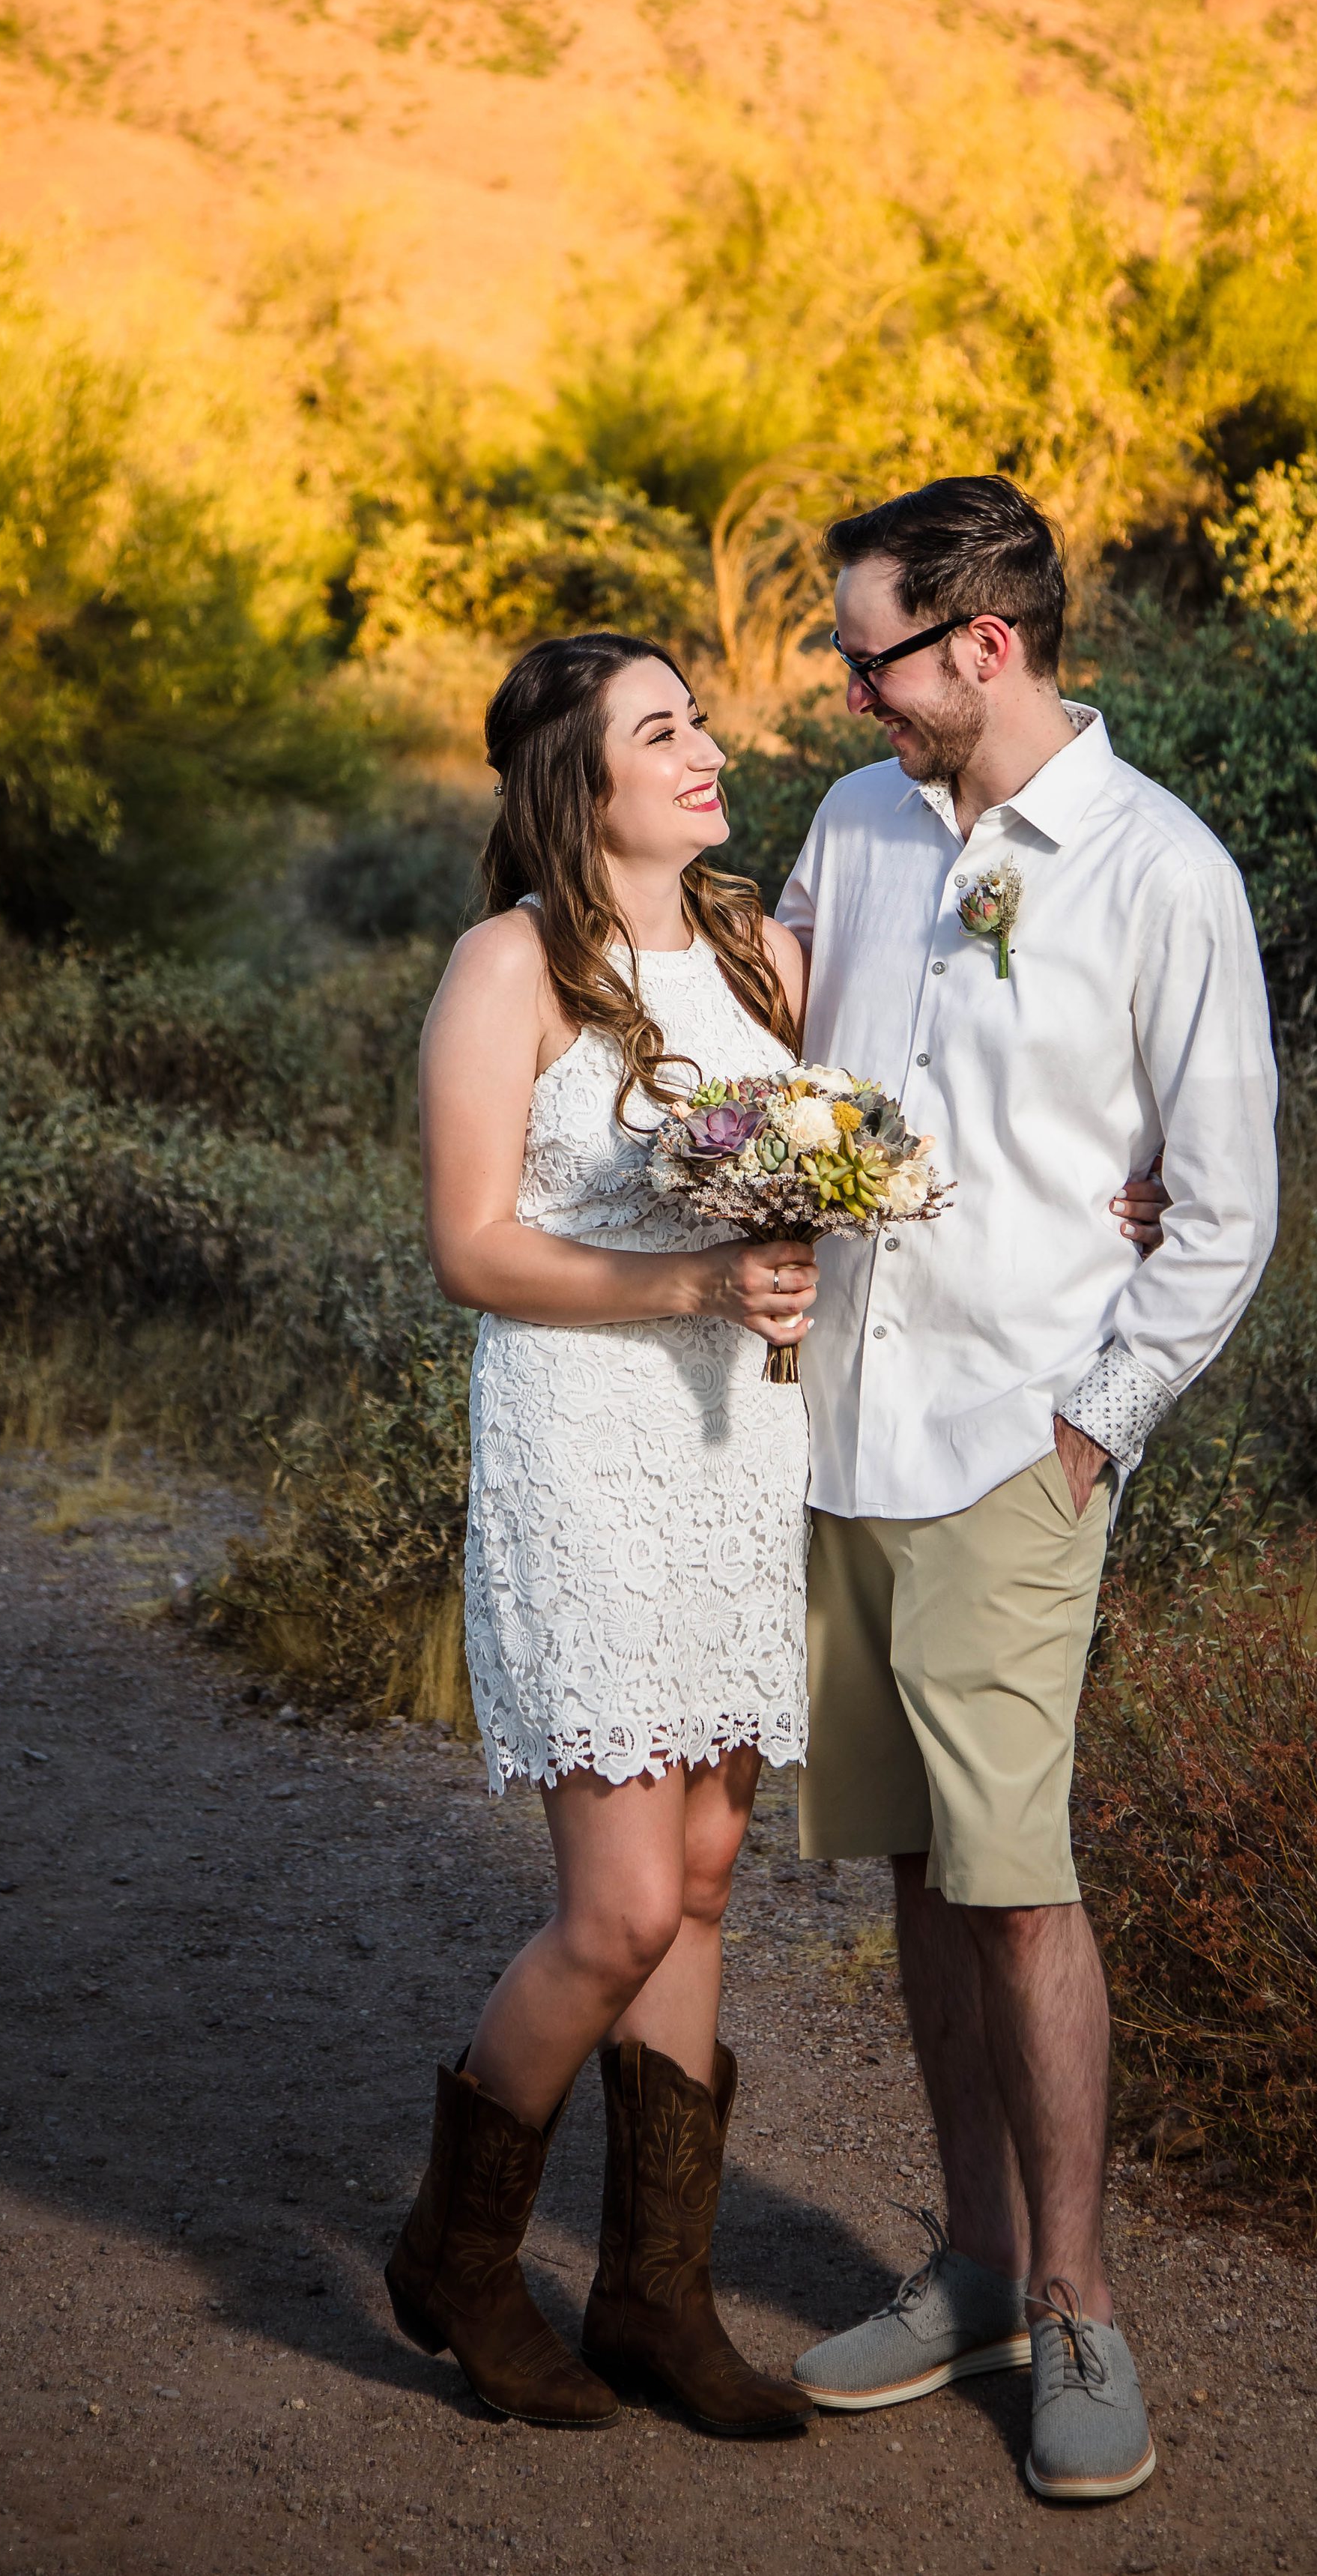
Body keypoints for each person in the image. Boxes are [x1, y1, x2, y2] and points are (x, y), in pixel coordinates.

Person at [776, 476, 1278, 2508]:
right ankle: (974, 2257)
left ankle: (1077, 2298)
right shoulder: (857, 826)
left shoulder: (1162, 873)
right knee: (911, 1866)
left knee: (1019, 1872)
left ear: (985, 643)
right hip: (839, 1432)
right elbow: (792, 1077)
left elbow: (1224, 1207)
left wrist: (1092, 1424)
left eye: (868, 650)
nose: (844, 684)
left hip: (1007, 1440)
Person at [385, 631, 820, 2438]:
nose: (709, 747)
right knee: (623, 1902)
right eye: (666, 729)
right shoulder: (510, 968)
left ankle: (658, 2298)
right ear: (582, 780)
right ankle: (461, 2260)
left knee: (708, 1879)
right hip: (586, 1450)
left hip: (735, 1457)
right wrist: (697, 1279)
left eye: (700, 718)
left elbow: (832, 1150)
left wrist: (803, 1245)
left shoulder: (761, 953)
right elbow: (472, 1247)